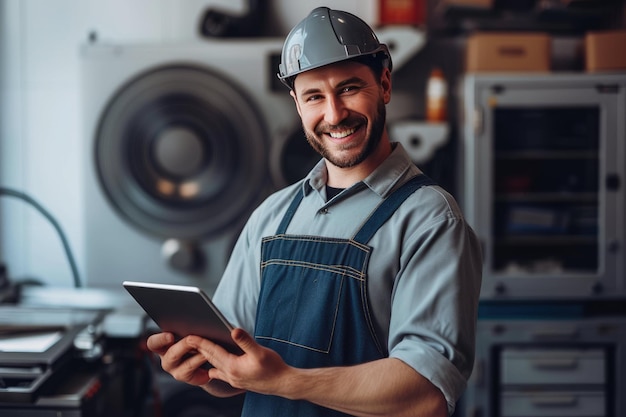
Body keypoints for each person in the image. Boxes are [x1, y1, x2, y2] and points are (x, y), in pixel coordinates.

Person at [147, 6, 482, 417]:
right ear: (297, 103)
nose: (334, 114)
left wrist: (285, 381)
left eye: (349, 88)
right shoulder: (272, 216)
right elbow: (236, 369)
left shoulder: (429, 219)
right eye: (314, 97)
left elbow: (424, 393)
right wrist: (203, 368)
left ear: (385, 84)